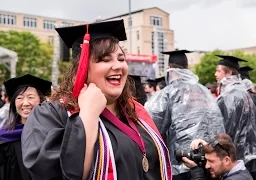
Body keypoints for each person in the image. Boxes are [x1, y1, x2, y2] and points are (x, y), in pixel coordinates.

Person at [21, 20, 171, 180]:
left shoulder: (136, 113)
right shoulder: (52, 115)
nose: (118, 66)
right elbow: (50, 173)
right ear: (82, 67)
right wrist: (88, 115)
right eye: (105, 60)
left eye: (121, 59)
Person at [145, 50, 225, 180]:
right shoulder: (204, 92)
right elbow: (218, 125)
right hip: (208, 161)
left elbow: (150, 127)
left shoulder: (168, 93)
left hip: (181, 164)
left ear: (169, 69)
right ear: (186, 68)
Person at [214, 55, 256, 180]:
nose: (215, 74)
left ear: (229, 72)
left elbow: (225, 129)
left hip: (235, 156)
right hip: (250, 154)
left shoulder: (229, 96)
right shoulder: (244, 92)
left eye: (218, 71)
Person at [0, 74, 52, 180]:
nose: (25, 103)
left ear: (40, 101)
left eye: (30, 97)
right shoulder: (4, 136)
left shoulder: (51, 133)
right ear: (14, 103)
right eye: (19, 98)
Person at [182, 133, 253, 180]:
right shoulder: (237, 172)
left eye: (211, 161)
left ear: (226, 160)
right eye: (206, 160)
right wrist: (207, 146)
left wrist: (196, 171)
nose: (207, 166)